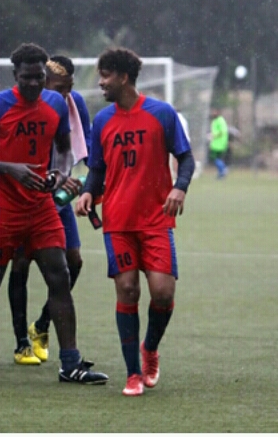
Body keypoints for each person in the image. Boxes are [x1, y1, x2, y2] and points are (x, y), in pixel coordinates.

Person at [0, 43, 107, 384]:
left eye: (40, 77)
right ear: (15, 76)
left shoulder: (55, 103)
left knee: (60, 275)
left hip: (40, 207)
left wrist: (56, 174)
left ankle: (70, 363)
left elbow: (64, 150)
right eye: (27, 78)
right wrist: (9, 169)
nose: (34, 84)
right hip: (2, 207)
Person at [75, 47, 194, 397]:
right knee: (127, 290)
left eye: (106, 76)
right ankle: (132, 373)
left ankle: (150, 348)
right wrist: (86, 192)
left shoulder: (162, 113)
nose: (101, 83)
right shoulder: (102, 121)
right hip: (118, 222)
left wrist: (180, 188)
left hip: (156, 220)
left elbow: (185, 159)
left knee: (163, 292)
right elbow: (97, 170)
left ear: (124, 77)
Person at [8, 55, 92, 365]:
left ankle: (41, 326)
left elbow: (85, 151)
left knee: (74, 262)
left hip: (57, 198)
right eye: (59, 89)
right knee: (20, 264)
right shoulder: (25, 104)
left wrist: (81, 183)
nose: (64, 96)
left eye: (69, 89)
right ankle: (21, 344)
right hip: (23, 196)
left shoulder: (73, 103)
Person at [208, 108, 229, 179]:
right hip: (217, 143)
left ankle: (223, 169)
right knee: (218, 159)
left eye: (214, 112)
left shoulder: (220, 120)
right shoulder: (216, 120)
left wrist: (213, 135)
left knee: (215, 158)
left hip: (218, 144)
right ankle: (221, 173)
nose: (213, 113)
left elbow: (222, 131)